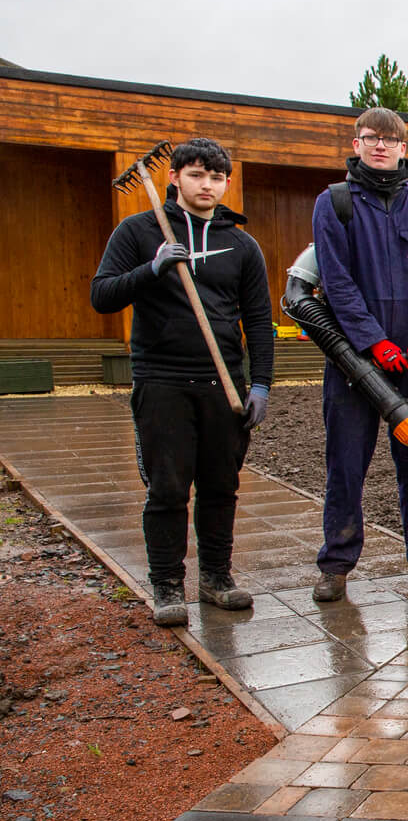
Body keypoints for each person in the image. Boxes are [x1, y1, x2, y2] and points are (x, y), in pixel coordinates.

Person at [91, 138, 273, 627]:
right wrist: (152, 269)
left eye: (216, 177)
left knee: (221, 485)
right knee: (168, 488)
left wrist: (261, 385)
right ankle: (167, 584)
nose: (207, 185)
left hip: (224, 383)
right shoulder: (139, 230)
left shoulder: (240, 243)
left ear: (227, 183)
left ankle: (216, 578)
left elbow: (258, 320)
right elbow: (102, 296)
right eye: (196, 174)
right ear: (173, 177)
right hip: (162, 379)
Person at [309, 106, 408, 601]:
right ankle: (337, 563)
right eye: (370, 138)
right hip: (355, 364)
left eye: (389, 140)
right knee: (346, 463)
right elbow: (338, 283)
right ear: (356, 144)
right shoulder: (335, 204)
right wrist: (374, 342)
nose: (380, 146)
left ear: (403, 148)